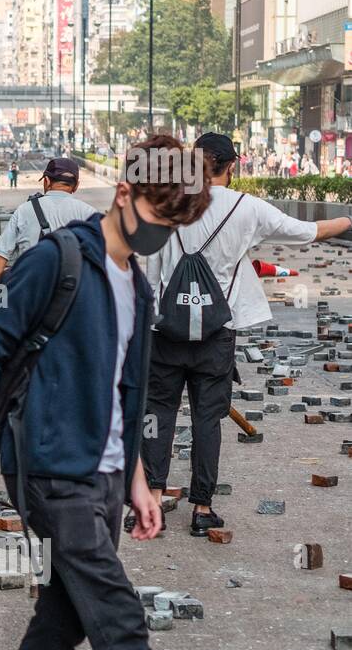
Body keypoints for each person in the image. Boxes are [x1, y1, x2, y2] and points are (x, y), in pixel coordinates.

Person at [0, 135, 211, 650]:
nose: (162, 233)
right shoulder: (57, 259)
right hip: (50, 470)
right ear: (124, 192)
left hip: (106, 476)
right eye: (157, 216)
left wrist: (139, 482)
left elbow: (128, 391)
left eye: (174, 225)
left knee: (63, 616)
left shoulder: (140, 287)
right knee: (119, 618)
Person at [142, 133, 352, 537]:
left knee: (158, 415)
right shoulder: (248, 208)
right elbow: (308, 232)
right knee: (208, 418)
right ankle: (202, 508)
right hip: (217, 332)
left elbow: (148, 275)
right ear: (231, 167)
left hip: (166, 332)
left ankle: (151, 504)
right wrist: (349, 219)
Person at [0, 157, 96, 317]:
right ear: (76, 185)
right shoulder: (89, 214)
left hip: (29, 303)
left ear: (47, 181)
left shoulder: (24, 210)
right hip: (73, 304)